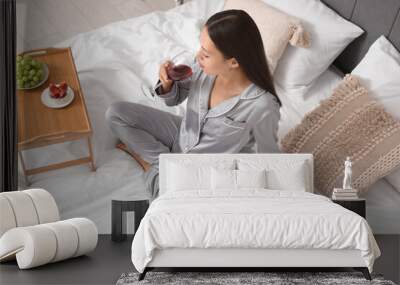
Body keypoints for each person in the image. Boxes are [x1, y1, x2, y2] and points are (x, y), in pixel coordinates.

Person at [105, 9, 282, 198]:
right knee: (116, 113)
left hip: (199, 172)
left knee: (165, 204)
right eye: (201, 47)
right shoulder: (201, 66)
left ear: (233, 62)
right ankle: (162, 165)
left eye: (206, 54)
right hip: (182, 134)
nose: (198, 56)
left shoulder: (262, 105)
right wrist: (167, 84)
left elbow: (266, 156)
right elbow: (174, 99)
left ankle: (150, 164)